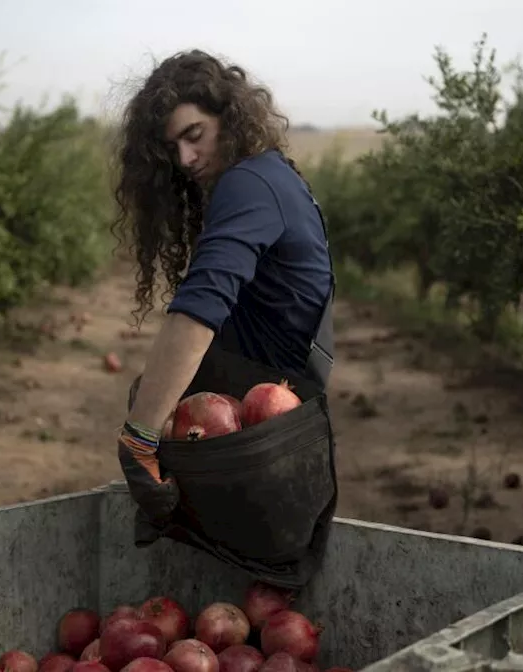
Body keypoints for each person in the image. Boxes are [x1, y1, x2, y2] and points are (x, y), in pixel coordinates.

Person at [111, 49, 338, 588]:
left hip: (257, 440)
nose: (186, 158)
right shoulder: (272, 176)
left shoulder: (250, 183)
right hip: (264, 421)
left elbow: (200, 307)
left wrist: (139, 437)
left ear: (228, 118)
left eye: (196, 134)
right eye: (173, 147)